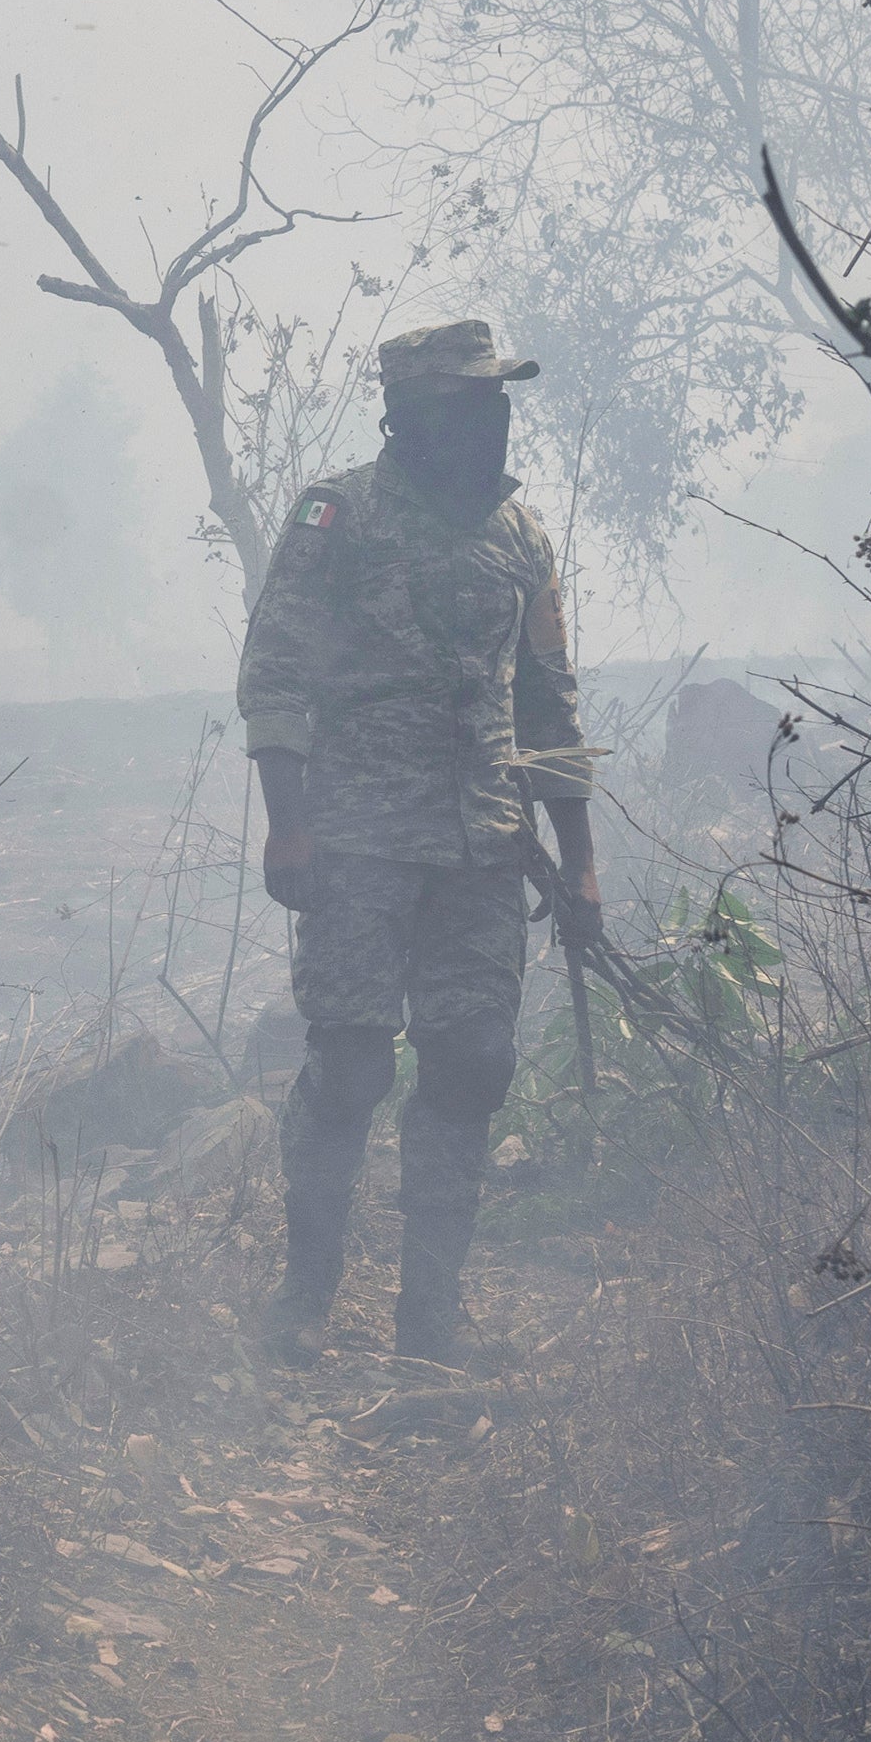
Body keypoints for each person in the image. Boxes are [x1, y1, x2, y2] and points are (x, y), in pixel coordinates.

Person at [234, 321, 599, 1366]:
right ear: (410, 416)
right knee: (351, 1065)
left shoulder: (520, 538)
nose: (493, 419)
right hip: (355, 842)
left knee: (472, 1064)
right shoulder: (338, 515)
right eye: (470, 402)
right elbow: (276, 675)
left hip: (484, 850)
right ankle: (305, 1295)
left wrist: (579, 861)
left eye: (498, 401)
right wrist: (289, 823)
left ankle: (426, 1327)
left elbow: (549, 707)